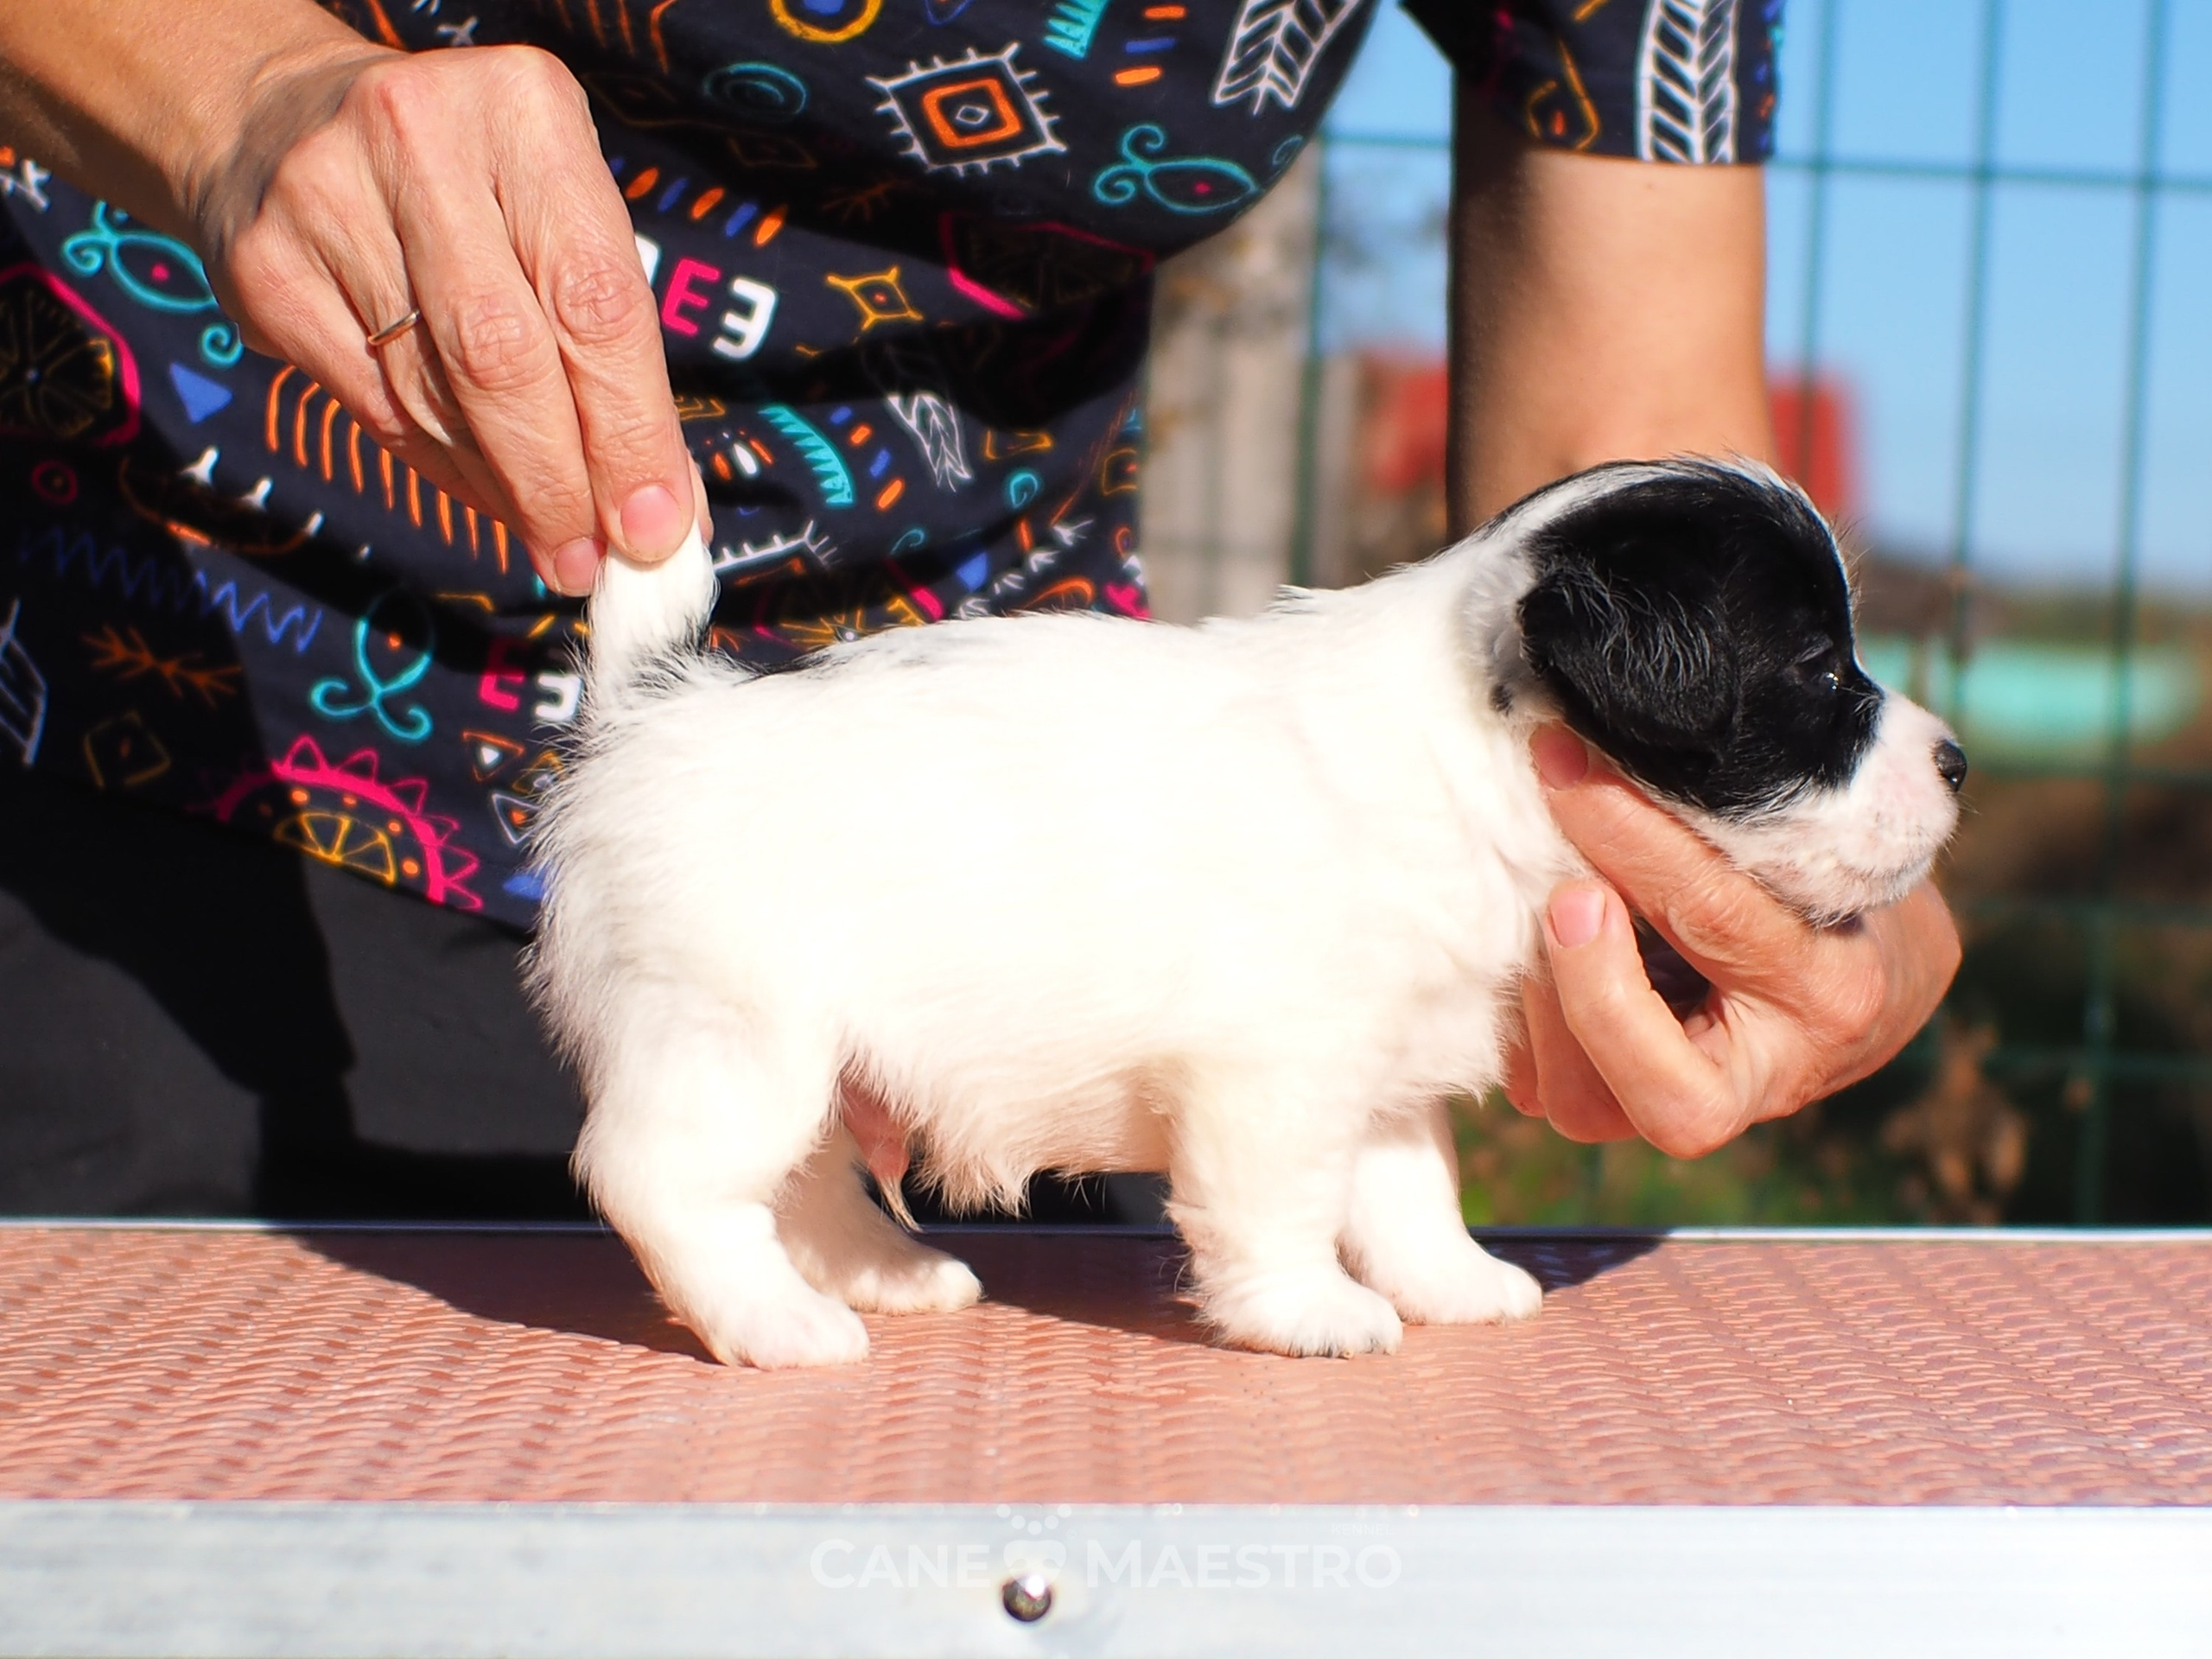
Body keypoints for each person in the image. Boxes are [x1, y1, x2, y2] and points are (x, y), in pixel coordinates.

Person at [0, 0, 1956, 1216]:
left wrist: (1776, 872)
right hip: (159, 736)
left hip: (1017, 840)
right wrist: (233, 84)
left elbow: (1623, 496)